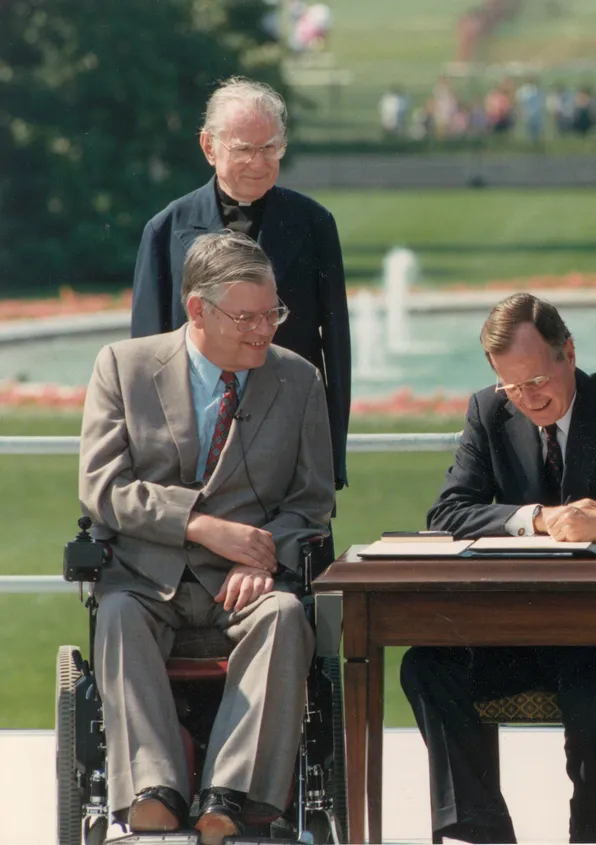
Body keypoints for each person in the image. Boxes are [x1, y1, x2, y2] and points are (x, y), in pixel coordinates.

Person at [401, 293, 596, 844]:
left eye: (536, 381)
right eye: (512, 385)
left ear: (567, 353)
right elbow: (448, 511)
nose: (527, 399)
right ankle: (483, 830)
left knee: (593, 668)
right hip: (512, 633)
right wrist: (537, 518)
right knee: (427, 665)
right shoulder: (488, 411)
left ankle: (588, 818)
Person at [80, 231, 335, 844]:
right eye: (246, 317)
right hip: (147, 577)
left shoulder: (297, 380)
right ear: (198, 310)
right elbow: (103, 488)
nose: (263, 331)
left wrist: (265, 553)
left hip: (247, 585)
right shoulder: (124, 367)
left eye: (272, 314)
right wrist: (198, 525)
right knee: (115, 615)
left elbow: (311, 502)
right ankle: (154, 793)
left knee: (282, 616)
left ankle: (229, 799)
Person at [131, 76, 351, 491]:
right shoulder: (164, 230)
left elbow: (336, 348)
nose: (259, 162)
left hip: (288, 443)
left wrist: (330, 461)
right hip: (190, 453)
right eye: (244, 149)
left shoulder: (315, 224)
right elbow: (146, 357)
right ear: (209, 147)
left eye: (270, 148)